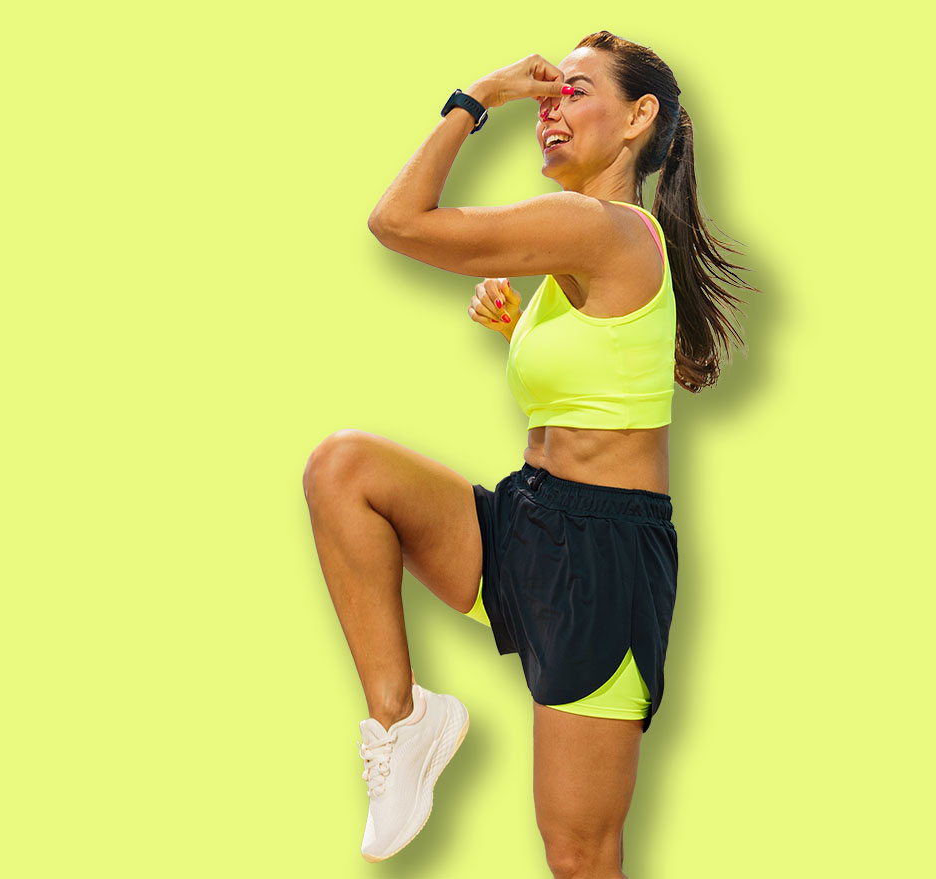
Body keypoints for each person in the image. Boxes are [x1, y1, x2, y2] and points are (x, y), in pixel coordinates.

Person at [302, 30, 755, 875]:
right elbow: (613, 372)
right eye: (546, 94)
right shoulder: (587, 250)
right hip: (530, 520)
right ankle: (405, 722)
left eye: (574, 91)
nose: (548, 108)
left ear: (638, 118)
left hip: (602, 557)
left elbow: (397, 222)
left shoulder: (596, 227)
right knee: (343, 468)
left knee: (579, 855)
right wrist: (520, 326)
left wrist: (480, 95)